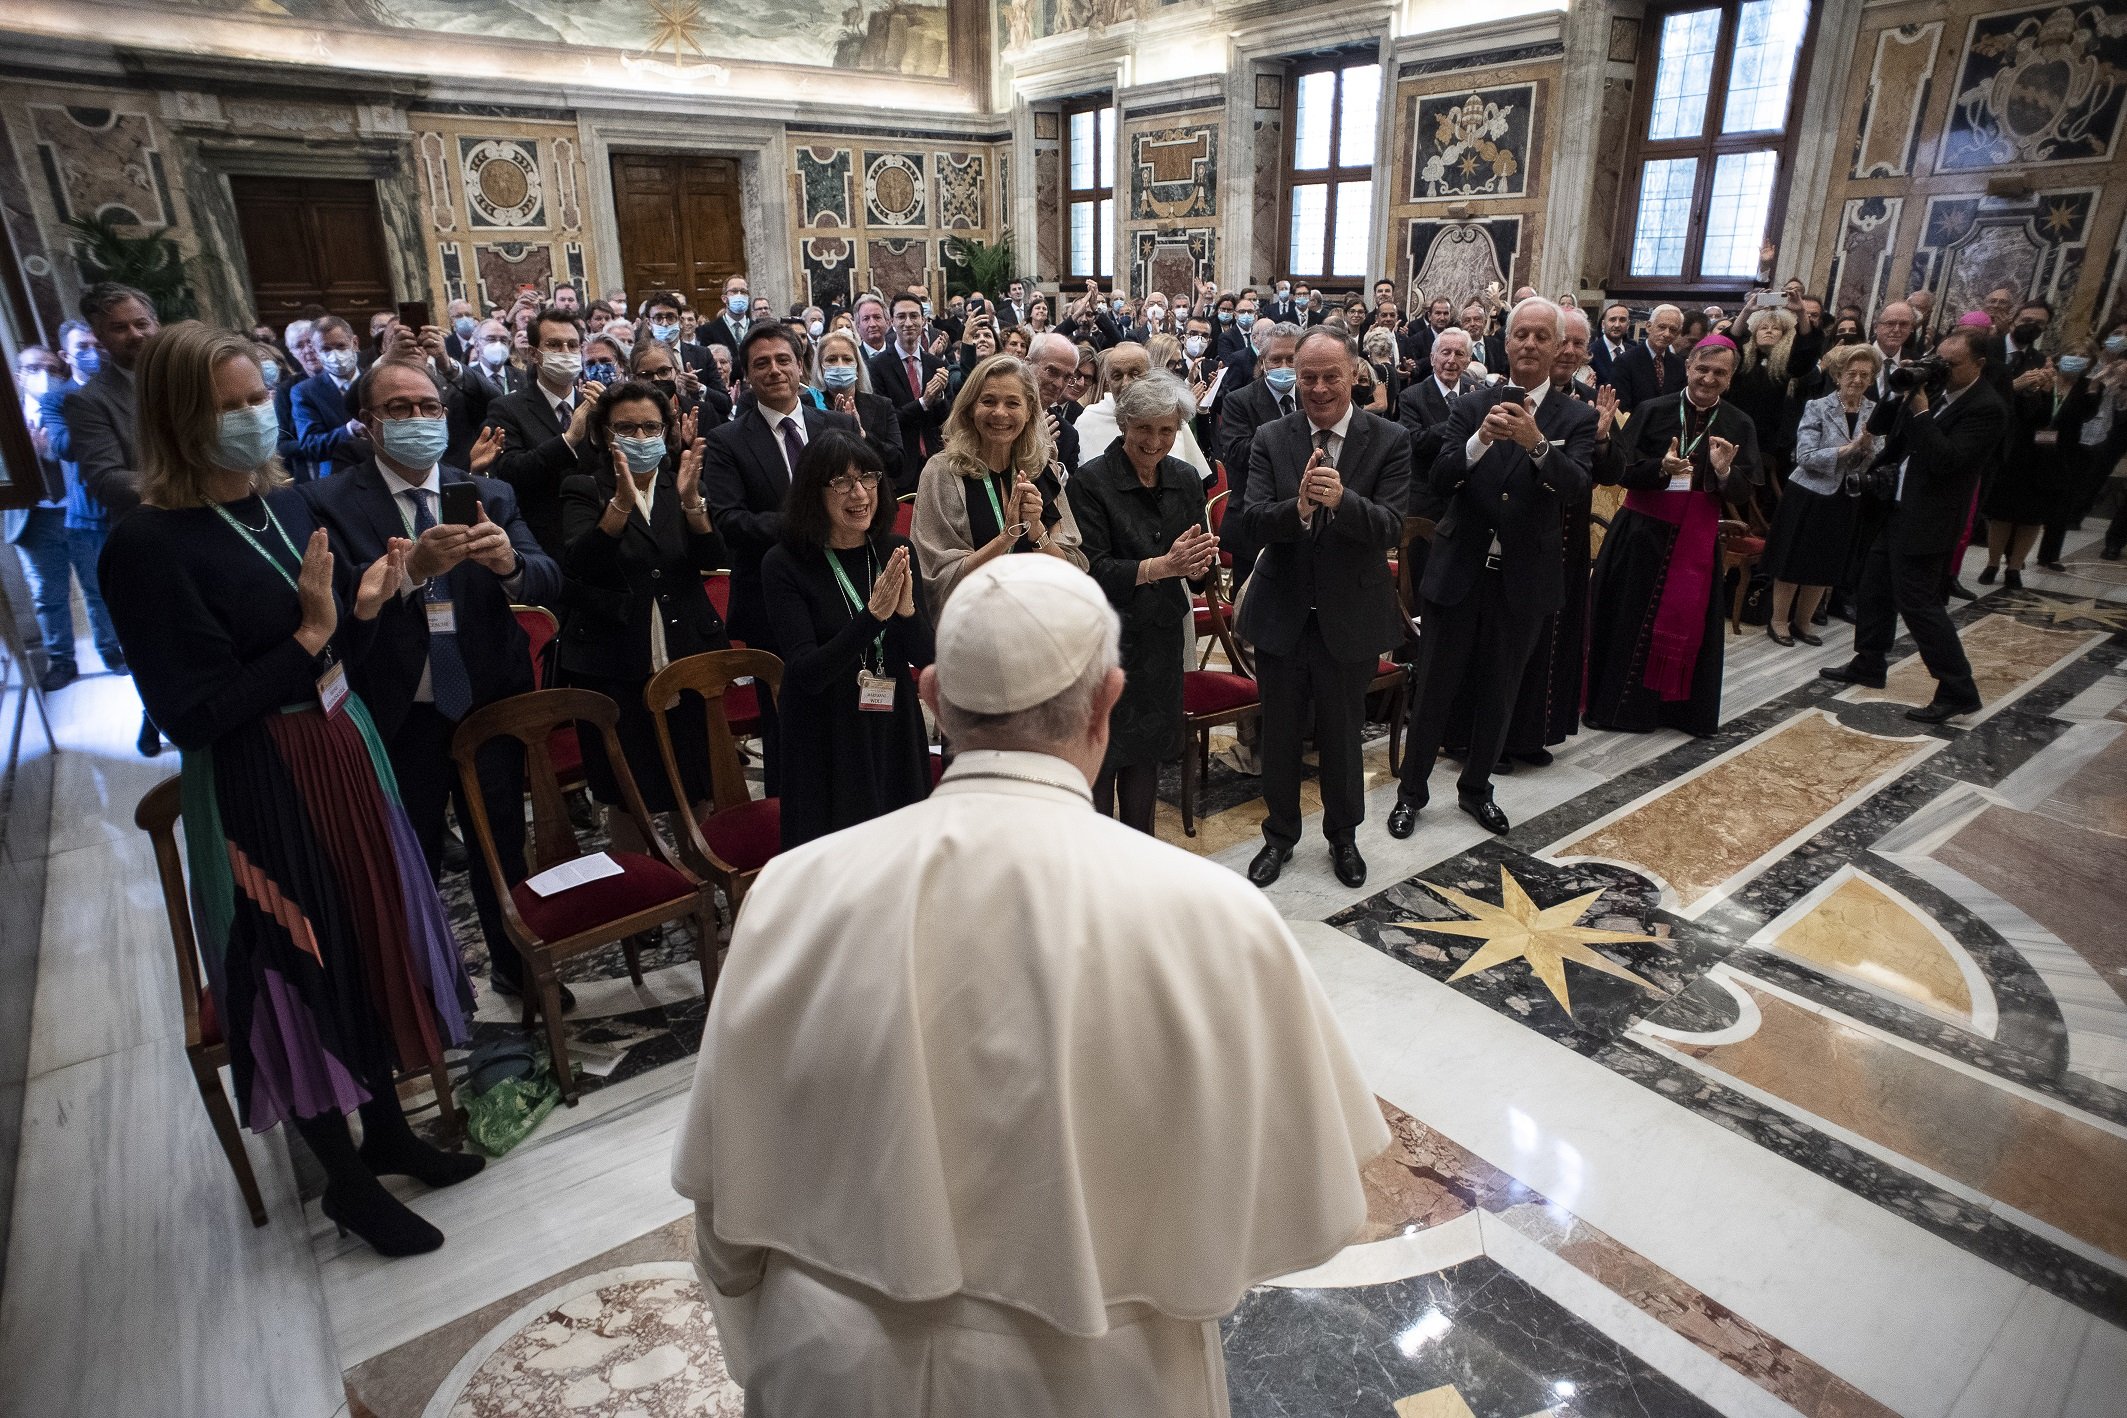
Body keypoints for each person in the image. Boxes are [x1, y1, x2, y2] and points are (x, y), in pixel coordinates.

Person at [670, 551, 1388, 1417]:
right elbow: (1308, 1212)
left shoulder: (791, 889)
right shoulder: (1216, 916)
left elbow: (724, 1214)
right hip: (1095, 1377)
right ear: (1108, 702)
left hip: (834, 1363)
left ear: (932, 698)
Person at [98, 321, 480, 1256]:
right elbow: (191, 713)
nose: (253, 418)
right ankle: (344, 1182)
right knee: (298, 968)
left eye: (258, 398)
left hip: (339, 749)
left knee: (360, 939)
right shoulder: (145, 546)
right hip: (260, 782)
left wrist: (369, 598)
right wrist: (309, 640)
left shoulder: (279, 503)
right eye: (228, 408)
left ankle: (385, 1131)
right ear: (180, 419)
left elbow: (329, 634)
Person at [285, 356, 561, 1005]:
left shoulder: (486, 493)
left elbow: (547, 577)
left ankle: (514, 967)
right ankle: (423, 987)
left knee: (501, 847)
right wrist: (410, 575)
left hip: (484, 701)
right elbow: (331, 608)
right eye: (398, 410)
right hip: (395, 709)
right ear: (367, 423)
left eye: (428, 407)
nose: (418, 420)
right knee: (408, 858)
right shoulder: (324, 500)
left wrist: (510, 565)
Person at [1390, 298, 1596, 839]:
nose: (1529, 344)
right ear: (1504, 343)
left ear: (1557, 348)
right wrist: (1481, 439)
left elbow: (1576, 488)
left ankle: (1476, 789)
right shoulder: (1469, 405)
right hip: (1459, 570)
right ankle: (1410, 794)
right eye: (1520, 334)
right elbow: (1439, 479)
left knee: (1500, 690)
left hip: (1524, 576)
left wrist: (1537, 445)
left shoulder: (1577, 416)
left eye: (1540, 337)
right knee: (1433, 687)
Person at [1237, 328, 1411, 889]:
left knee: (1341, 735)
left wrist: (1344, 500)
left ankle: (1344, 838)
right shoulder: (1271, 436)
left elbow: (1391, 526)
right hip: (1283, 612)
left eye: (1329, 375)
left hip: (1350, 615)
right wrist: (1302, 507)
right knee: (1280, 734)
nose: (1317, 387)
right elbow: (1251, 520)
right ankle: (1279, 837)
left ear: (1354, 374)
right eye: (1307, 376)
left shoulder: (1388, 439)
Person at [556, 378, 731, 848]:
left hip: (685, 648)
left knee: (695, 780)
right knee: (630, 788)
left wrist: (694, 506)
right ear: (602, 434)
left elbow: (712, 558)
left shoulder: (683, 479)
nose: (639, 438)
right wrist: (618, 507)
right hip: (616, 656)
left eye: (650, 427)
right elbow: (579, 564)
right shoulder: (582, 487)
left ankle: (699, 873)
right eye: (626, 428)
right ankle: (644, 899)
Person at [760, 431, 934, 850]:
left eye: (868, 478)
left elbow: (926, 656)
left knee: (899, 851)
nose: (859, 493)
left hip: (892, 722)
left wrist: (906, 612)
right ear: (812, 492)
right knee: (841, 861)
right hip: (826, 732)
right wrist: (873, 616)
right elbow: (807, 673)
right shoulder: (784, 563)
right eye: (841, 482)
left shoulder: (894, 548)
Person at [1822, 327, 2003, 722]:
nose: (1943, 370)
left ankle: (1958, 687)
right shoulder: (1934, 389)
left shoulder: (1986, 408)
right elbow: (1885, 426)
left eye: (1951, 365)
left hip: (1930, 520)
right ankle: (1869, 661)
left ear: (1979, 364)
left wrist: (1920, 411)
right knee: (1874, 588)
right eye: (1939, 361)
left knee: (1920, 606)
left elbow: (1946, 460)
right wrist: (1897, 389)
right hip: (1896, 509)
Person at [1585, 335, 1762, 736]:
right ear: (1688, 368)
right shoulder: (1653, 409)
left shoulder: (1739, 423)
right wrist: (1661, 469)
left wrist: (1722, 472)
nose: (1709, 379)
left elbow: (1745, 490)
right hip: (1640, 534)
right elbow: (1622, 472)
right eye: (1702, 369)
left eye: (1720, 372)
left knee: (1691, 624)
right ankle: (1618, 710)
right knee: (1626, 621)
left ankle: (1676, 712)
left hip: (1696, 541)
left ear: (1730, 379)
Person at [1070, 374, 1216, 833]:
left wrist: (1197, 569)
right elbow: (1089, 569)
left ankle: (1139, 852)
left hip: (1159, 640)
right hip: (1106, 641)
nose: (1155, 442)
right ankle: (1096, 860)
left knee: (1147, 757)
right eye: (1144, 429)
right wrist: (1160, 567)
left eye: (1166, 431)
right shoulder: (1091, 481)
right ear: (1124, 424)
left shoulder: (1186, 478)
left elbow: (1199, 570)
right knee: (1103, 754)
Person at [701, 324, 859, 655]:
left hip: (842, 585)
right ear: (746, 375)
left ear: (800, 366)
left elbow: (865, 494)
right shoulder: (725, 441)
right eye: (762, 363)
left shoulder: (838, 425)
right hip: (768, 597)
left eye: (783, 360)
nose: (774, 370)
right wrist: (807, 524)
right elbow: (729, 520)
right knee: (781, 702)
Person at [64, 283, 163, 752]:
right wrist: (183, 485)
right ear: (100, 336)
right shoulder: (89, 401)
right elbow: (105, 479)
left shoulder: (183, 376)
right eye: (120, 328)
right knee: (154, 640)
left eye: (142, 323)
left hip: (210, 523)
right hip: (146, 536)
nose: (135, 335)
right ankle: (155, 711)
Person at [911, 353, 1087, 610]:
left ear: (1029, 412)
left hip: (1036, 619)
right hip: (972, 624)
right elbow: (936, 579)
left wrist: (1037, 530)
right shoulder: (942, 472)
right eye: (988, 401)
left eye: (1013, 403)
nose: (1000, 413)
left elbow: (1072, 570)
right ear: (971, 408)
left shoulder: (1041, 468)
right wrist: (1006, 538)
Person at [10, 343, 125, 691]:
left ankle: (111, 651)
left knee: (97, 588)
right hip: (34, 517)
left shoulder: (71, 405)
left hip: (80, 512)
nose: (41, 374)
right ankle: (61, 661)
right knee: (48, 593)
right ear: (18, 374)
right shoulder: (9, 417)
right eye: (32, 368)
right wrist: (25, 455)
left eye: (49, 367)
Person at [1763, 343, 1879, 647]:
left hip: (1845, 496)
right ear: (1838, 375)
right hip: (1808, 493)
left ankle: (1803, 622)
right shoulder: (1817, 406)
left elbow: (1873, 461)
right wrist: (1850, 448)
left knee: (1825, 563)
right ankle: (1778, 620)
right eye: (1851, 373)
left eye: (1865, 375)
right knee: (1793, 559)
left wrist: (1866, 449)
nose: (1857, 380)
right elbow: (1805, 456)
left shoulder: (1873, 412)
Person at [479, 306, 600, 555]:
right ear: (534, 354)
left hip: (598, 535)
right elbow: (510, 472)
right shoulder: (507, 408)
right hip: (542, 541)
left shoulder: (597, 404)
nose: (565, 352)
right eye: (554, 345)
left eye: (572, 345)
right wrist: (568, 440)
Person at [1986, 341, 2098, 583]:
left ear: (2089, 362)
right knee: (2002, 513)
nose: (2076, 358)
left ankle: (2014, 568)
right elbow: (2025, 414)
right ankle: (1993, 563)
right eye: (2072, 353)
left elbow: (2086, 416)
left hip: (2056, 460)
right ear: (2059, 357)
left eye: (2082, 356)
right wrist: (2043, 392)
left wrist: (2095, 387)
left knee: (2033, 517)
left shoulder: (2087, 388)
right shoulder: (2037, 379)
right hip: (2021, 454)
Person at [1216, 321, 1304, 587]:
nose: (1284, 366)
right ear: (1263, 361)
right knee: (1252, 610)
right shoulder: (1239, 400)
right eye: (1276, 359)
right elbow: (1237, 452)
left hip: (1302, 519)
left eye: (1292, 359)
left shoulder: (1313, 396)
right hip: (1254, 518)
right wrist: (1290, 435)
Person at [1073, 343, 1214, 482]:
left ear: (1150, 376)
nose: (1126, 383)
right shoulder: (1088, 420)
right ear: (1108, 381)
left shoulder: (1168, 415)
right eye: (1117, 376)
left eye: (1135, 374)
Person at [868, 293, 951, 490]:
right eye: (901, 316)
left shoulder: (936, 364)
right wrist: (923, 402)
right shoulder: (877, 366)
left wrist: (939, 398)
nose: (908, 323)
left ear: (923, 320)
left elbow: (947, 419)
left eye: (914, 316)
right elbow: (885, 421)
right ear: (891, 322)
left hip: (935, 464)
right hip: (900, 468)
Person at [809, 328, 904, 478]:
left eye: (847, 359)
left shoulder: (881, 405)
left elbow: (897, 462)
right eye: (831, 359)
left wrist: (862, 434)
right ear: (820, 366)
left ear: (858, 366)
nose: (840, 365)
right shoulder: (809, 405)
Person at [290, 316, 372, 478]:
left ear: (354, 343)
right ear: (315, 350)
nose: (335, 355)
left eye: (341, 346)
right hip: (339, 478)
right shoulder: (305, 392)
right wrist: (349, 430)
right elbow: (310, 446)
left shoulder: (376, 379)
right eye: (326, 349)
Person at [1611, 303, 1685, 411]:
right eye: (1662, 327)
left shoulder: (1678, 364)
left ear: (1678, 334)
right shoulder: (1625, 361)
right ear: (1649, 327)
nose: (1667, 334)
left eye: (1673, 330)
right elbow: (1621, 407)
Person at [698, 274, 753, 361]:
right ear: (724, 298)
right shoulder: (708, 330)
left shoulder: (757, 328)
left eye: (743, 292)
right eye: (734, 291)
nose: (739, 295)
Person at [1589, 302, 1633, 387]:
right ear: (1603, 324)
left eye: (1622, 320)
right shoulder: (1590, 353)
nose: (1617, 325)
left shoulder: (1633, 352)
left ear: (1628, 325)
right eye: (1612, 319)